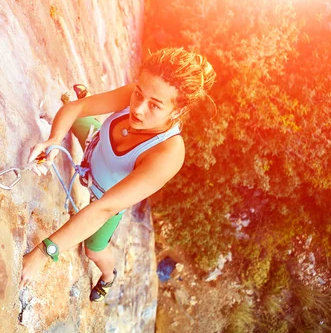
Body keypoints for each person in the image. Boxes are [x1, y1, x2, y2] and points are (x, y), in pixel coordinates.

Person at [19, 47, 216, 302]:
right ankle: (92, 101)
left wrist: (44, 253)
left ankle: (108, 276)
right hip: (94, 147)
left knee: (93, 250)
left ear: (176, 112)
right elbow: (76, 109)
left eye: (154, 105)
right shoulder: (136, 98)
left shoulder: (168, 153)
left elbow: (104, 208)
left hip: (107, 200)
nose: (139, 109)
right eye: (138, 93)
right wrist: (54, 140)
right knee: (71, 107)